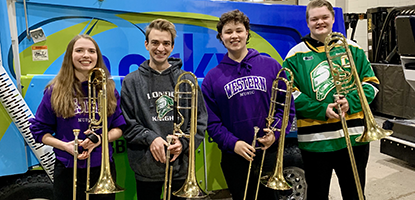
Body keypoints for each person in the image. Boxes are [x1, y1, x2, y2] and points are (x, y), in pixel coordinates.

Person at [282, 0, 380, 199]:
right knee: (317, 194)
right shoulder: (294, 55)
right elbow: (289, 94)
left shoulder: (353, 48)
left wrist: (350, 103)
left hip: (354, 138)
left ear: (333, 19)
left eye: (324, 17)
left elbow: (372, 84)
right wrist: (321, 109)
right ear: (308, 22)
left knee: (355, 193)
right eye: (314, 18)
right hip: (316, 141)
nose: (320, 22)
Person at [202, 10, 295, 200]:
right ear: (221, 36)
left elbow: (285, 108)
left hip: (269, 153)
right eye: (228, 32)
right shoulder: (212, 77)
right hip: (234, 156)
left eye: (239, 30)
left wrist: (275, 134)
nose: (234, 36)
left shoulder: (271, 66)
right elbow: (211, 122)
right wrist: (233, 143)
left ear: (247, 33)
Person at [29, 34, 125, 200]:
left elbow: (119, 128)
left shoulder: (108, 89)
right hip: (67, 169)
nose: (86, 55)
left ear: (97, 56)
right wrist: (65, 146)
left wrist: (100, 139)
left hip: (102, 166)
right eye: (79, 50)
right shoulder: (54, 91)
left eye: (91, 51)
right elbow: (39, 131)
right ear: (70, 56)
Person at [120, 19, 207, 200]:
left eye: (166, 43)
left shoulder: (187, 80)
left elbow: (199, 120)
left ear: (172, 46)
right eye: (155, 42)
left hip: (181, 167)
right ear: (146, 44)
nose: (161, 48)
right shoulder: (131, 81)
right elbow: (127, 124)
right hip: (146, 169)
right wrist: (151, 138)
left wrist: (183, 144)